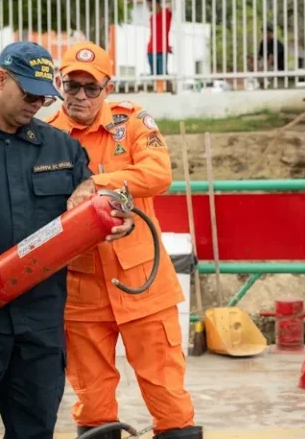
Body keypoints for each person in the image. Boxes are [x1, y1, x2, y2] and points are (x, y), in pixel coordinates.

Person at [0, 40, 134, 439]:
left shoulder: (62, 148)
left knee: (35, 428)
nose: (36, 105)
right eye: (28, 93)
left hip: (41, 323)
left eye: (44, 98)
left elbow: (93, 207)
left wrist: (118, 218)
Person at [46, 41, 202, 439]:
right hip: (81, 291)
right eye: (71, 85)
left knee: (169, 399)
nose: (80, 95)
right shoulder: (45, 137)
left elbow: (157, 173)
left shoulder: (131, 123)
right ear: (59, 84)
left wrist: (95, 184)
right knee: (92, 402)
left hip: (142, 285)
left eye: (90, 87)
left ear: (107, 87)